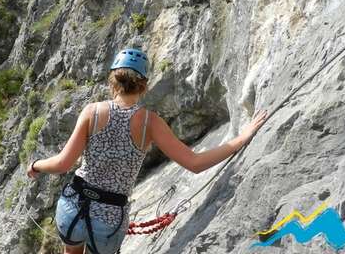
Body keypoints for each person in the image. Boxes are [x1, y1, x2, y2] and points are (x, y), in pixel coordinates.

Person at [27, 48, 268, 254]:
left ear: (113, 81)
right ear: (144, 86)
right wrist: (242, 137)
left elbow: (62, 164)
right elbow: (195, 163)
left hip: (72, 207)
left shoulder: (93, 111)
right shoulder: (149, 123)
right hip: (108, 221)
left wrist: (36, 165)